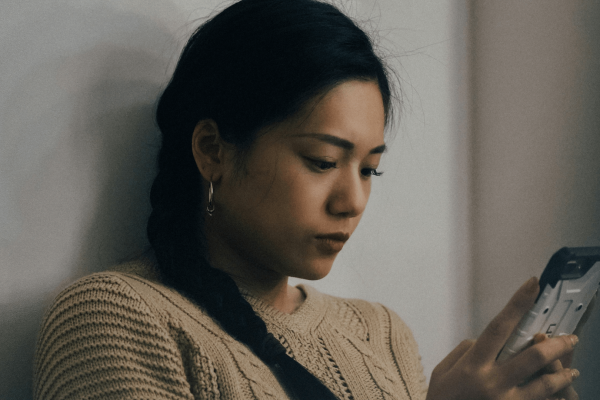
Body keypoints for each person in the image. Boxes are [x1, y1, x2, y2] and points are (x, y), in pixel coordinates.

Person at [33, 0, 581, 399]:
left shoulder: (380, 333)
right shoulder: (115, 318)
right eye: (322, 161)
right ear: (212, 150)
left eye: (370, 169)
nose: (352, 200)